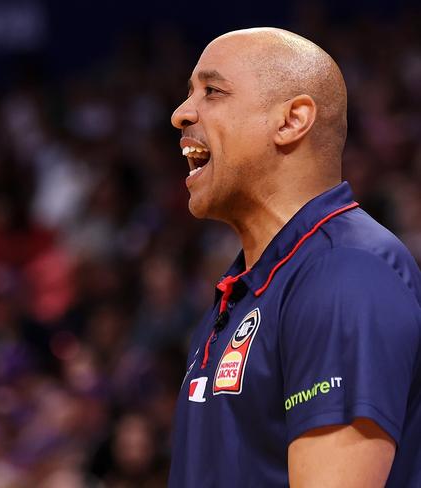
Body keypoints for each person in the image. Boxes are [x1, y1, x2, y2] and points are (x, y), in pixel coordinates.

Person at [168, 27, 421, 487]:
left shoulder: (346, 272)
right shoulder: (242, 293)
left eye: (212, 91)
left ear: (291, 121)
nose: (181, 114)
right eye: (189, 94)